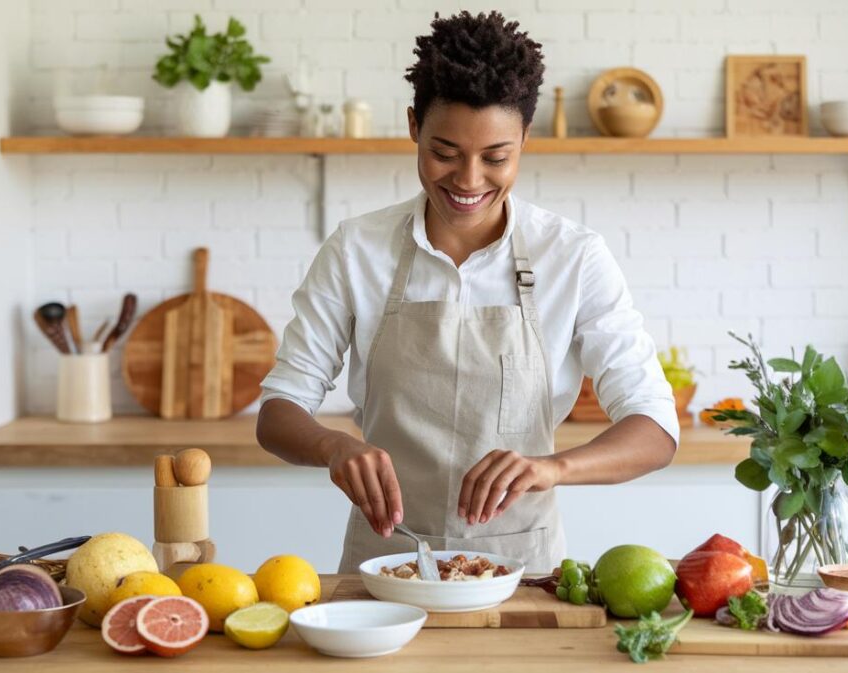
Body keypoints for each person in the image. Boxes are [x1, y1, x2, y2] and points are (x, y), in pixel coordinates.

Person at [256, 11, 678, 574]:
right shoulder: (357, 249)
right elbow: (278, 411)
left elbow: (654, 427)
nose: (469, 180)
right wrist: (333, 447)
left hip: (521, 569)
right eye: (445, 152)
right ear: (413, 126)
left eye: (496, 157)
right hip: (387, 565)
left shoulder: (573, 256)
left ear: (527, 138)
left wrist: (554, 467)